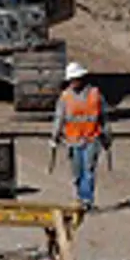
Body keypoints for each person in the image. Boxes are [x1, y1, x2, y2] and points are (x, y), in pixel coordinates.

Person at [50, 61, 109, 210]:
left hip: (91, 138)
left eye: (76, 79)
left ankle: (86, 201)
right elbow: (59, 118)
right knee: (77, 172)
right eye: (71, 80)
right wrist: (54, 137)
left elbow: (104, 118)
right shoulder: (65, 98)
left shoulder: (95, 95)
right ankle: (79, 196)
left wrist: (107, 137)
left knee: (88, 170)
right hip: (73, 140)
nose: (74, 82)